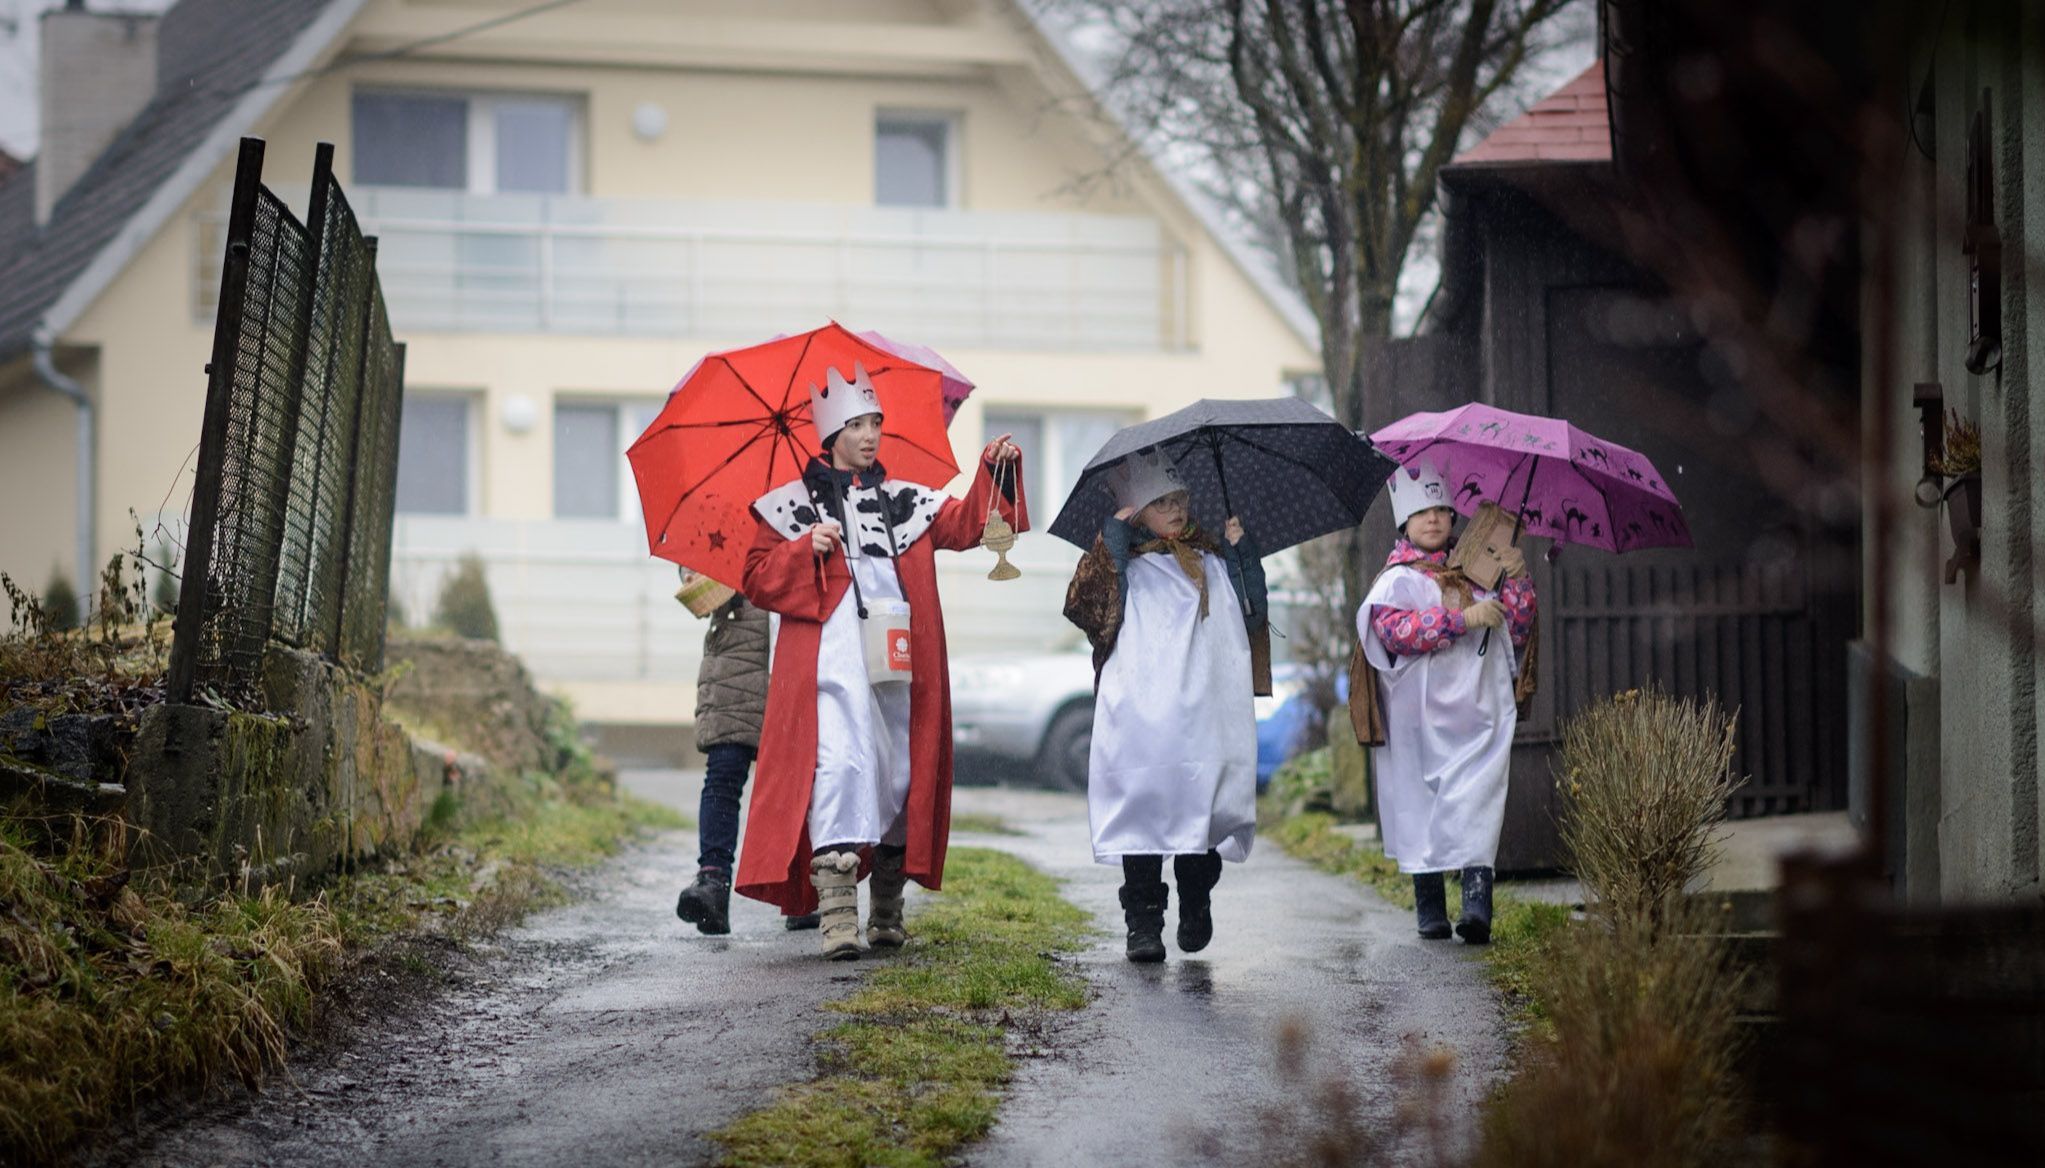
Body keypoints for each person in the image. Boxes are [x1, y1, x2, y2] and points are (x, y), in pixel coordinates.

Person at [739, 362, 1026, 960]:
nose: (870, 435)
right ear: (830, 434)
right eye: (857, 424)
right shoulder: (790, 507)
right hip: (827, 663)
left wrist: (995, 469)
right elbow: (757, 580)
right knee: (840, 765)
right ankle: (837, 913)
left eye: (876, 423)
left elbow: (969, 522)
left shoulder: (904, 501)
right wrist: (802, 549)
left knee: (898, 774)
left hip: (899, 658)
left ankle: (887, 909)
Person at [1063, 448, 1267, 963]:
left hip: (1204, 712)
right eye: (1160, 502)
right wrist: (1113, 535)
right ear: (1137, 512)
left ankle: (1196, 896)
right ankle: (1143, 921)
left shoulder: (1214, 560)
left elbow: (1250, 615)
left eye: (1179, 499)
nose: (1175, 510)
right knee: (1143, 807)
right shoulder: (1122, 565)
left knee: (1198, 809)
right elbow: (1090, 609)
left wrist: (1244, 554)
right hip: (1141, 713)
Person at [1356, 460, 1537, 944]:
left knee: (1476, 800)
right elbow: (1395, 631)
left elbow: (1516, 629)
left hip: (1476, 710)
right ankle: (1430, 904)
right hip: (1417, 717)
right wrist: (1461, 619)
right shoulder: (1397, 580)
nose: (1433, 519)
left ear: (1454, 517)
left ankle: (1478, 903)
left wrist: (1516, 581)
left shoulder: (1482, 571)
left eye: (1440, 509)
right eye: (1421, 512)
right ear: (1405, 524)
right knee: (1422, 805)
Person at [672, 570, 819, 935]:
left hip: (796, 645)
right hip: (735, 663)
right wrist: (697, 575)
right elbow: (698, 587)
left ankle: (800, 892)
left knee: (798, 782)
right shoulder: (723, 522)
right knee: (724, 772)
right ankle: (712, 884)